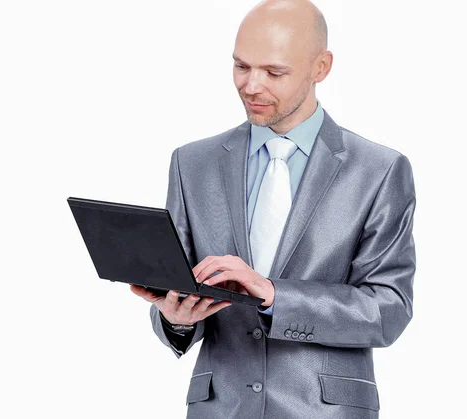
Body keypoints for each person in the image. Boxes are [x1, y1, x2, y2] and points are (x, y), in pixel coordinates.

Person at [130, 0, 416, 417]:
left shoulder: (379, 170)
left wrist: (275, 295)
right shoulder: (192, 163)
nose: (251, 85)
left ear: (321, 67)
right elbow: (179, 282)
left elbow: (388, 309)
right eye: (241, 67)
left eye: (274, 72)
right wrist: (177, 318)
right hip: (220, 408)